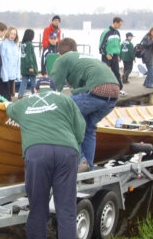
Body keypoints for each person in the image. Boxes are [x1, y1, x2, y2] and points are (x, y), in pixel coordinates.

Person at [6, 78, 85, 239]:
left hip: (37, 153)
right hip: (67, 153)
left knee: (38, 209)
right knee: (66, 211)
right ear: (55, 88)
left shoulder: (25, 102)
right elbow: (81, 132)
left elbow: (8, 110)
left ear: (34, 89)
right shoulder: (66, 100)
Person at [50, 38, 119, 172]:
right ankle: (89, 169)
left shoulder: (63, 59)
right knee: (88, 128)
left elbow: (51, 87)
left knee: (67, 119)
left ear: (59, 54)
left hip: (96, 90)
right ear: (75, 50)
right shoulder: (86, 57)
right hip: (114, 92)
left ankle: (81, 161)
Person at [99, 17, 125, 93]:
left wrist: (119, 55)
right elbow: (101, 45)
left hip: (115, 55)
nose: (120, 26)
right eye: (119, 25)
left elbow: (118, 45)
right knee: (105, 73)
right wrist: (106, 54)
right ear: (115, 23)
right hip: (107, 55)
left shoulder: (117, 33)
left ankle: (119, 88)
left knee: (116, 72)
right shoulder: (106, 32)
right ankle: (103, 89)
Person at [0, 26, 20, 101]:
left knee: (10, 95)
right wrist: (4, 75)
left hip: (12, 75)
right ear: (8, 34)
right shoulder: (3, 44)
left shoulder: (15, 46)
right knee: (5, 96)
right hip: (5, 75)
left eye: (14, 34)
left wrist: (17, 74)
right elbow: (3, 61)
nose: (12, 36)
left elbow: (17, 61)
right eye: (11, 33)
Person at [18, 28, 38, 98]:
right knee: (33, 82)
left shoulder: (23, 44)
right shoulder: (29, 44)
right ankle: (34, 95)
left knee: (23, 82)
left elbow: (24, 56)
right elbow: (29, 56)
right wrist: (30, 66)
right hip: (30, 66)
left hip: (24, 67)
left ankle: (20, 94)